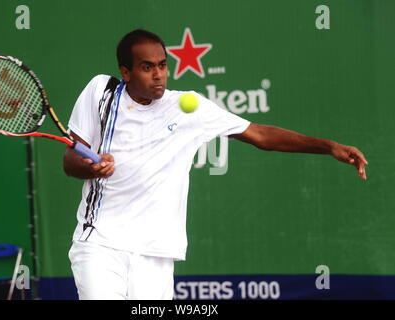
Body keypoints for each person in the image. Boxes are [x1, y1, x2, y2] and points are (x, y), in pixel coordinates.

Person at [64, 29, 368, 300]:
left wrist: (328, 147)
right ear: (126, 72)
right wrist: (90, 166)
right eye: (147, 67)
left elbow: (261, 135)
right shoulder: (101, 92)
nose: (158, 74)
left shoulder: (188, 108)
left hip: (156, 252)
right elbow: (70, 160)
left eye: (162, 65)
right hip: (100, 243)